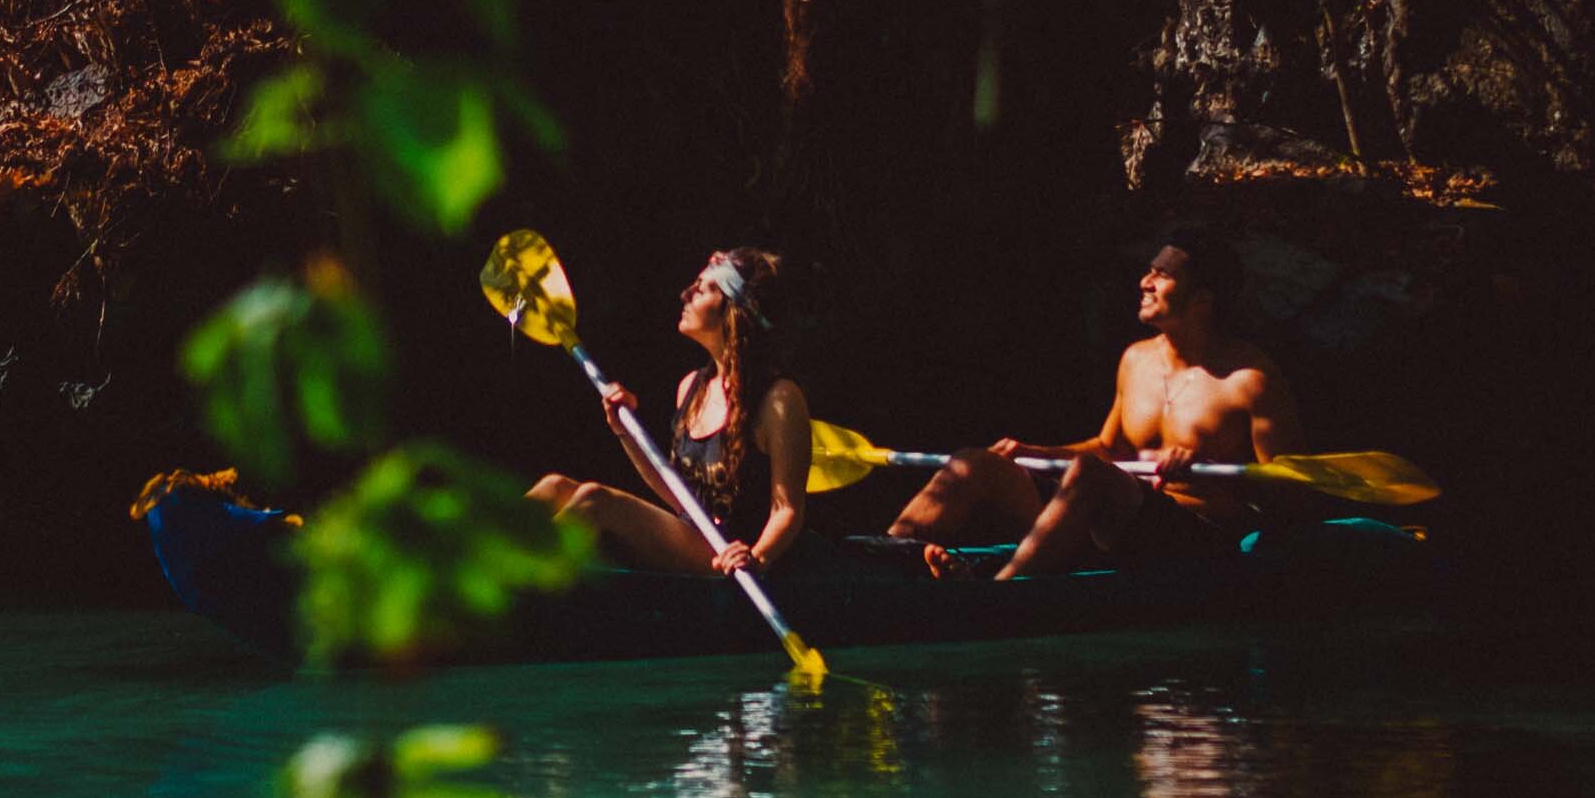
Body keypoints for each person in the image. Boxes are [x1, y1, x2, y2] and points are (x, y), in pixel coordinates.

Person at [886, 227, 1301, 580]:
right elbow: (1109, 448)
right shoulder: (1136, 360)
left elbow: (1288, 498)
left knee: (1090, 474)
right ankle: (884, 565)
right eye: (1149, 270)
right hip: (1108, 515)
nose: (1145, 282)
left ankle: (1003, 595)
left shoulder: (1252, 381)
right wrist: (1035, 453)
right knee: (975, 462)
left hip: (1192, 535)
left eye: (1162, 275)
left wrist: (1208, 473)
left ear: (1202, 301)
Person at [527, 248, 811, 576]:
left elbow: (788, 510)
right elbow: (679, 495)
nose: (685, 294)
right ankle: (466, 566)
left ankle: (510, 592)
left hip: (729, 554)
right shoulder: (692, 386)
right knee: (554, 487)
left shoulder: (780, 399)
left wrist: (757, 557)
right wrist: (624, 431)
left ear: (734, 309)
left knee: (594, 499)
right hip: (693, 533)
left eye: (702, 289)